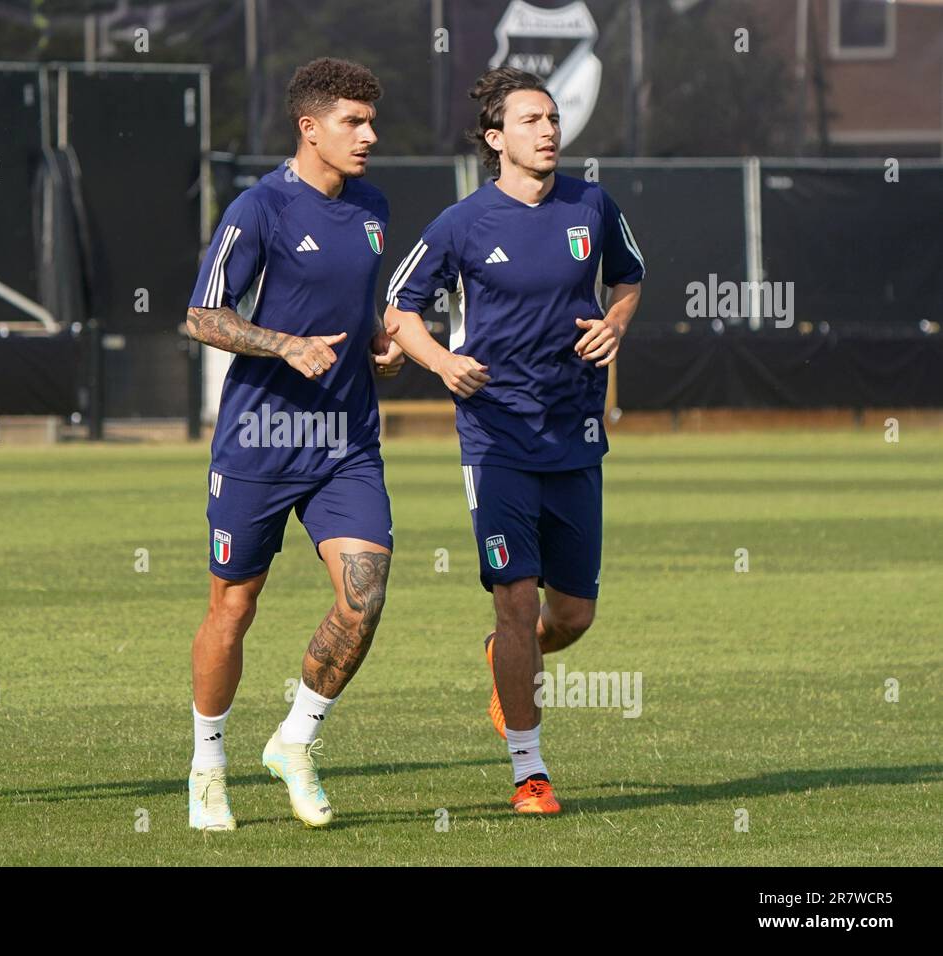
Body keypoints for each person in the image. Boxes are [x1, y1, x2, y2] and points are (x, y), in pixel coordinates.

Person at [384, 67, 644, 814]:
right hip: (495, 440)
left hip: (575, 437)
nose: (550, 131)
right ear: (496, 139)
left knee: (571, 618)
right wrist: (442, 362)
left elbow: (628, 280)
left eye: (553, 118)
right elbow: (400, 308)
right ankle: (530, 773)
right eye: (532, 120)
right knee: (513, 596)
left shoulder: (592, 205)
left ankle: (508, 660)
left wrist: (616, 324)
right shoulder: (461, 224)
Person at [182, 57, 405, 831]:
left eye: (371, 121)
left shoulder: (374, 206)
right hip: (261, 441)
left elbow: (356, 299)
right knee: (233, 609)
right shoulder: (260, 208)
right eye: (354, 122)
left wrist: (378, 338)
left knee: (365, 591)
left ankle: (295, 740)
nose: (369, 136)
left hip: (345, 442)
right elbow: (203, 316)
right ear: (309, 128)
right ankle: (208, 764)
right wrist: (285, 344)